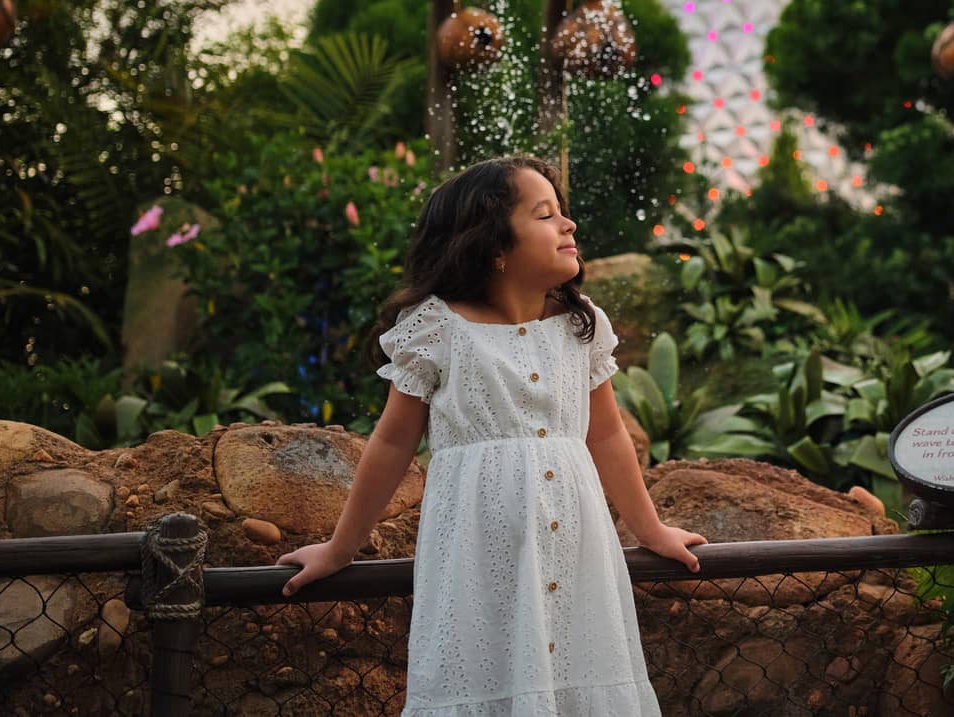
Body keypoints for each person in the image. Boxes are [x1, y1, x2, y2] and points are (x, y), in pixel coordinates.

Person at [276, 155, 707, 715]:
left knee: (582, 682)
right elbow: (392, 443)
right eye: (545, 214)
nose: (568, 225)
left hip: (578, 553)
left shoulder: (582, 326)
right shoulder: (438, 328)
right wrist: (341, 548)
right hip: (478, 555)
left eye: (563, 213)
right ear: (494, 246)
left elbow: (606, 436)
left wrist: (649, 529)